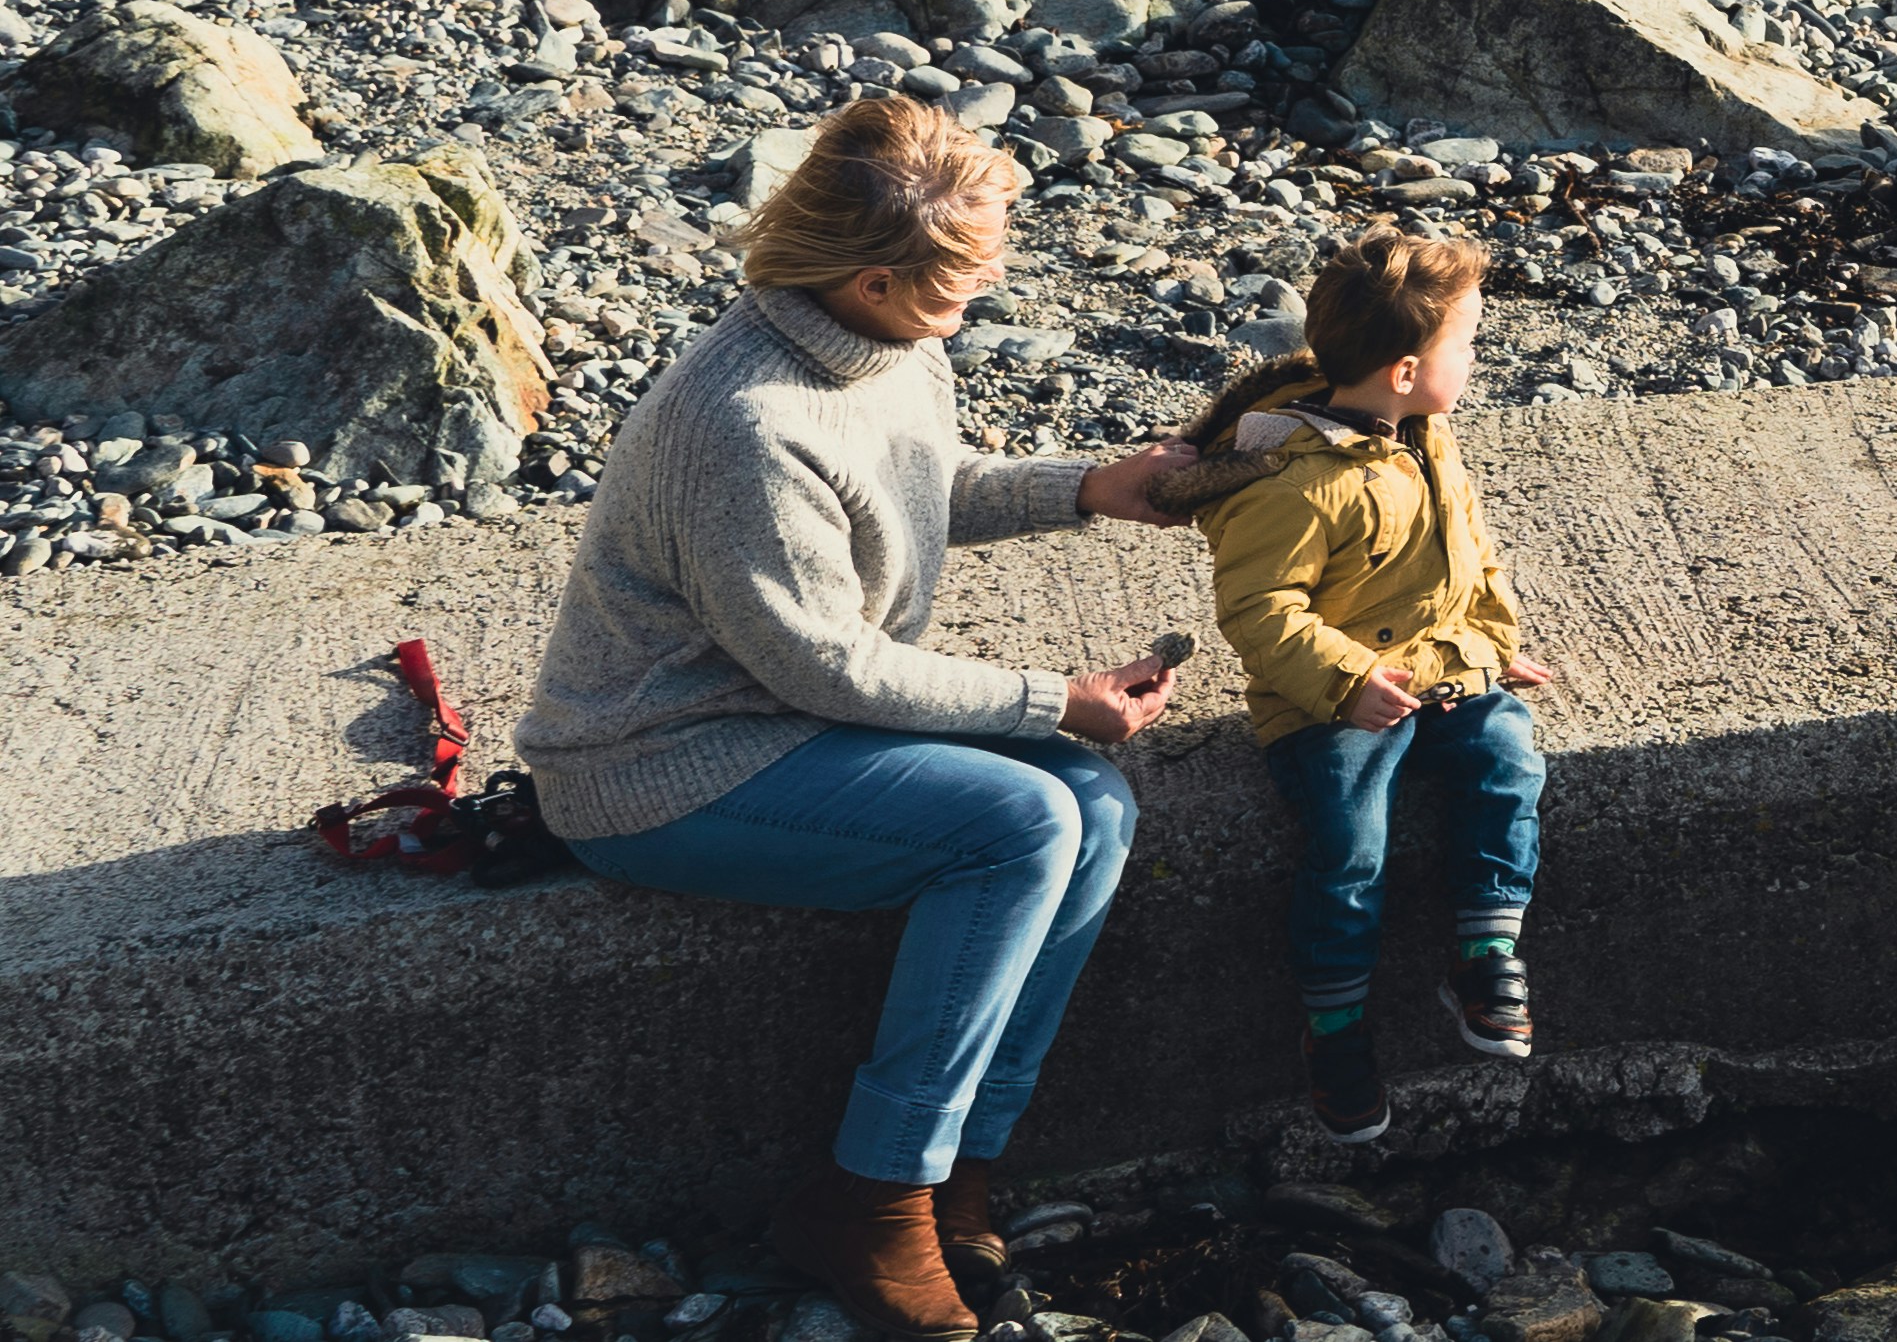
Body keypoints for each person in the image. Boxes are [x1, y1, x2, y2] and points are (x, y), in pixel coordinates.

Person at [520, 95, 1195, 1341]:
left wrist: (1093, 487)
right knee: (1021, 822)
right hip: (664, 763)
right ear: (873, 277)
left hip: (794, 719)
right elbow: (829, 666)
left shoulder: (885, 340)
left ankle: (965, 1154)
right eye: (957, 288)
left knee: (1095, 802)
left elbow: (916, 492)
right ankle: (874, 1193)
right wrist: (1057, 698)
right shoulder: (741, 424)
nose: (974, 304)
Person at [1172, 227, 1549, 1141]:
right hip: (1327, 698)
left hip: (1444, 662)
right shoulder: (1292, 482)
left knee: (1509, 758)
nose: (1476, 359)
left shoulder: (1426, 433)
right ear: (1409, 369)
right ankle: (1335, 1024)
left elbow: (1470, 549)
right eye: (1468, 344)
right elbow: (1261, 611)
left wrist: (1492, 643)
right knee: (1351, 840)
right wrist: (1344, 683)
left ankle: (1487, 948)